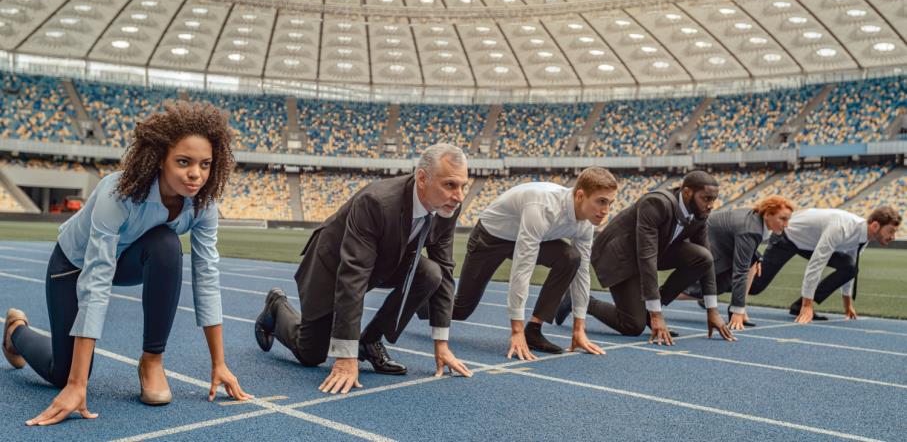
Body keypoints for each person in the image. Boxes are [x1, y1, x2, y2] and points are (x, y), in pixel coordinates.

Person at [2, 102, 251, 427]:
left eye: (205, 164)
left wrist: (219, 363)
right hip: (73, 265)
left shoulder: (203, 204)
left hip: (131, 260)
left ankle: (152, 361)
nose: (196, 174)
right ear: (160, 158)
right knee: (63, 375)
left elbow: (206, 276)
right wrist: (78, 384)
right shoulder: (117, 193)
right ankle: (15, 332)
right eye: (183, 162)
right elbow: (96, 281)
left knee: (166, 245)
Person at [254, 144, 473, 394]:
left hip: (387, 260)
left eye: (463, 186)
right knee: (311, 354)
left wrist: (442, 344)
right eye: (450, 185)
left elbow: (444, 269)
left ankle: (369, 341)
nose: (459, 196)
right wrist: (346, 357)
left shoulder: (447, 208)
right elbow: (353, 274)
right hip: (332, 264)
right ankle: (276, 305)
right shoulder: (377, 202)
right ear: (422, 178)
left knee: (431, 273)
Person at [450, 168, 617, 360]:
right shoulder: (543, 207)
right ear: (580, 195)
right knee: (461, 309)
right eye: (601, 202)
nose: (606, 211)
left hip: (521, 236)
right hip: (491, 238)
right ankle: (421, 300)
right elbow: (523, 268)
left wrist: (579, 329)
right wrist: (516, 331)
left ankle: (534, 330)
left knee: (571, 258)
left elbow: (582, 274)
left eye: (610, 203)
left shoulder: (586, 222)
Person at [576, 170, 735, 345]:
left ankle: (647, 309)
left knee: (703, 258)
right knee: (633, 326)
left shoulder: (699, 215)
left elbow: (708, 261)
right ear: (688, 192)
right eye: (706, 199)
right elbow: (647, 257)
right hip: (618, 256)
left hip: (653, 251)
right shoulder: (656, 203)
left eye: (713, 199)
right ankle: (580, 300)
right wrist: (656, 315)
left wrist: (712, 310)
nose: (711, 205)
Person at [748, 206, 900, 323]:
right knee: (755, 287)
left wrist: (847, 305)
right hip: (787, 236)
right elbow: (816, 264)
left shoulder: (864, 237)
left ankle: (797, 305)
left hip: (810, 243)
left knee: (849, 266)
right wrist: (807, 306)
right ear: (875, 226)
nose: (893, 237)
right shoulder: (841, 228)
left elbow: (851, 269)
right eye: (891, 231)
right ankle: (725, 281)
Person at [681, 196, 795, 330]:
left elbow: (742, 244)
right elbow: (740, 271)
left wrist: (756, 256)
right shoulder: (751, 228)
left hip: (718, 245)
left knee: (751, 263)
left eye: (788, 220)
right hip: (702, 247)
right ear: (767, 215)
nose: (786, 225)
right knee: (709, 288)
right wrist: (737, 311)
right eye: (782, 219)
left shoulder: (756, 219)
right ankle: (656, 298)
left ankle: (741, 307)